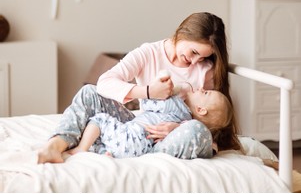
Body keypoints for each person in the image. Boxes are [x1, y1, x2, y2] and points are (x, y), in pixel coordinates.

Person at [38, 12, 240, 164]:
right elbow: (106, 82)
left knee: (195, 130)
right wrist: (148, 92)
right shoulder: (148, 53)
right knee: (89, 92)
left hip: (164, 142)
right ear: (182, 33)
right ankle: (57, 144)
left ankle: (136, 155)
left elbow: (212, 118)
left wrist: (178, 128)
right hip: (142, 127)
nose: (196, 61)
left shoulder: (205, 70)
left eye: (203, 57)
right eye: (194, 52)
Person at [68, 88, 233, 159]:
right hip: (141, 146)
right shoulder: (185, 122)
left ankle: (81, 149)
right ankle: (105, 152)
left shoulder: (177, 105)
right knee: (91, 91)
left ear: (201, 109)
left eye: (204, 92)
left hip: (134, 133)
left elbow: (146, 103)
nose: (200, 87)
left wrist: (168, 91)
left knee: (100, 119)